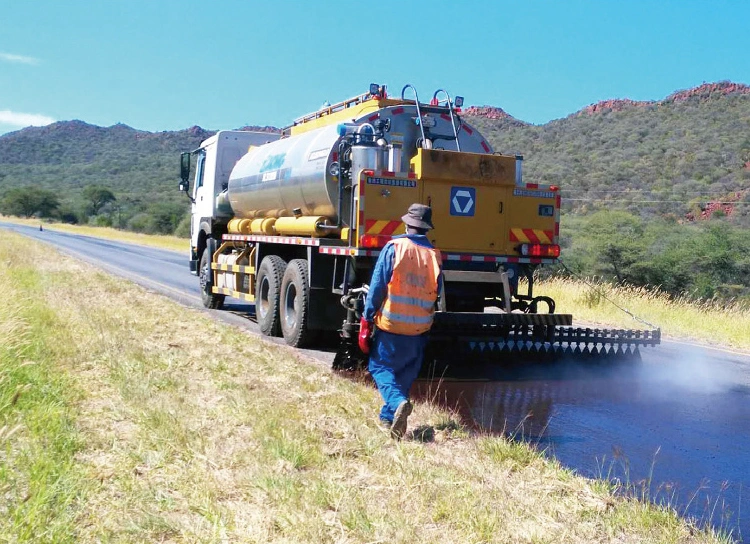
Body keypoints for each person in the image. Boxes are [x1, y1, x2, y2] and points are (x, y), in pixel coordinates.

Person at [359, 203, 443, 439]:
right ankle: (389, 418)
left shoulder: (394, 247)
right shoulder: (435, 255)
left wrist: (366, 318)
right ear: (427, 228)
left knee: (380, 367)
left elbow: (377, 286)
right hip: (419, 328)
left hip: (392, 324)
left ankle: (396, 405)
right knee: (405, 371)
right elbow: (437, 293)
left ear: (407, 223)